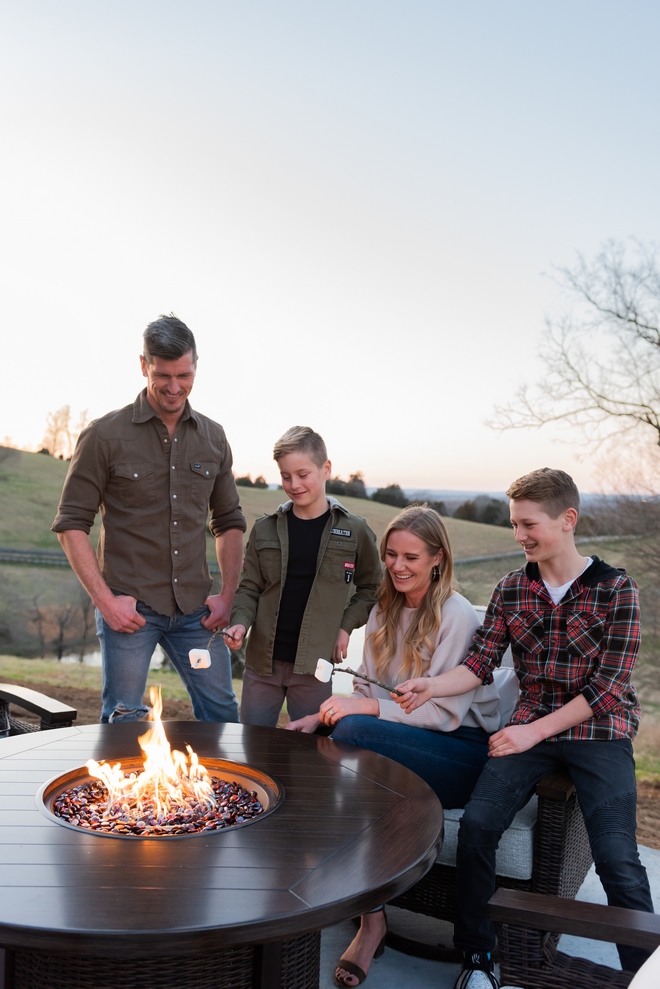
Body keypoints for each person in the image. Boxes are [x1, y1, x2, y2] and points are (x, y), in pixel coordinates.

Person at [396, 468, 655, 989]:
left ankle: (646, 973)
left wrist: (533, 733)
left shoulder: (616, 590)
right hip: (529, 731)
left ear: (567, 519)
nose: (520, 536)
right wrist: (430, 685)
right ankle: (478, 959)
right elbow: (479, 664)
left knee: (618, 860)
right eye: (514, 525)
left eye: (528, 524)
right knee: (478, 828)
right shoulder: (512, 588)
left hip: (598, 734)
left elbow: (607, 690)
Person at [288, 505, 501, 988]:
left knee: (352, 734)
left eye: (411, 557)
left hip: (458, 751)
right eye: (391, 555)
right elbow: (367, 693)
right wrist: (319, 719)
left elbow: (444, 715)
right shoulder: (384, 608)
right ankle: (373, 918)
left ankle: (364, 917)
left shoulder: (456, 615)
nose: (399, 566)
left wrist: (357, 716)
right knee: (322, 739)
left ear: (437, 559)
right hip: (394, 741)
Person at [52, 315, 246, 724]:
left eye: (184, 375)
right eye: (162, 375)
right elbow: (71, 524)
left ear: (196, 366)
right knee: (124, 719)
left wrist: (228, 595)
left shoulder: (214, 438)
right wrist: (106, 603)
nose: (174, 387)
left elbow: (228, 521)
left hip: (196, 613)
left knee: (223, 715)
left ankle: (220, 790)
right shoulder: (104, 436)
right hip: (130, 612)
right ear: (144, 365)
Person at [223, 426, 381, 727]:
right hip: (261, 667)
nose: (294, 484)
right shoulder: (264, 529)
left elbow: (372, 587)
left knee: (310, 751)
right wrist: (240, 622)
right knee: (253, 746)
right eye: (285, 476)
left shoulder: (355, 531)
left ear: (326, 469)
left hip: (315, 668)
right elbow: (250, 587)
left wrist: (345, 627)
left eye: (302, 474)